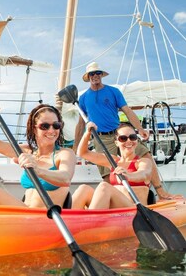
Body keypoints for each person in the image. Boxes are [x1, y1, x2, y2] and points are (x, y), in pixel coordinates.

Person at [73, 62, 182, 200]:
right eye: (92, 74)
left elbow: (127, 111)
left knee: (146, 155)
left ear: (101, 75)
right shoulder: (83, 98)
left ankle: (161, 193)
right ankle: (114, 204)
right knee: (108, 174)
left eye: (98, 73)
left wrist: (140, 129)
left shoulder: (113, 91)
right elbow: (81, 123)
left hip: (120, 134)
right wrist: (76, 145)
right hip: (101, 138)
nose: (95, 76)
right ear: (88, 77)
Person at [0, 100, 76, 208]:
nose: (51, 130)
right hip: (24, 211)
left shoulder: (64, 154)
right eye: (45, 126)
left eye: (56, 125)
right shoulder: (27, 152)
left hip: (44, 217)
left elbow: (65, 178)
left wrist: (37, 170)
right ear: (34, 129)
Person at [72, 122, 152, 209]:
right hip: (115, 209)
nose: (129, 141)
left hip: (135, 210)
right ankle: (68, 220)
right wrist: (87, 132)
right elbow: (82, 153)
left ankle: (91, 219)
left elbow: (144, 174)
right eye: (123, 138)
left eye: (132, 137)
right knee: (84, 189)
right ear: (116, 143)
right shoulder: (113, 161)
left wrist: (129, 176)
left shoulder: (143, 162)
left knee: (104, 186)